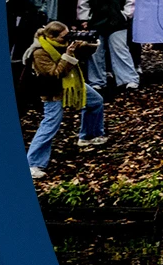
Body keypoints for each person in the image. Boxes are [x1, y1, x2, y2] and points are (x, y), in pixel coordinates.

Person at [23, 21, 106, 179]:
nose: (67, 38)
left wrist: (90, 41)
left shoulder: (63, 43)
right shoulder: (39, 52)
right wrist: (68, 55)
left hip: (71, 85)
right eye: (64, 36)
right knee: (50, 124)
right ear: (52, 37)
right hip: (52, 90)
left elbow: (86, 51)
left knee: (95, 102)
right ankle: (32, 163)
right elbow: (54, 74)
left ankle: (88, 136)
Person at [77, 0, 138, 94]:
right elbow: (84, 0)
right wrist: (84, 18)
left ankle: (128, 79)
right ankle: (97, 81)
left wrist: (125, 15)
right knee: (96, 52)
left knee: (120, 49)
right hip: (96, 22)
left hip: (117, 22)